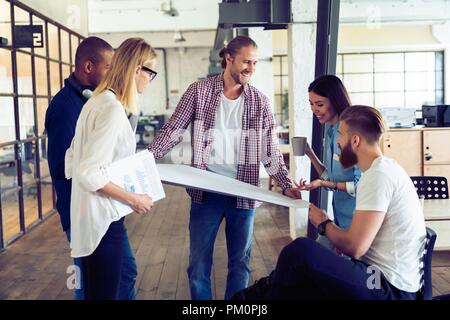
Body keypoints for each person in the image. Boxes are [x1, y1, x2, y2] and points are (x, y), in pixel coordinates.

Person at [148, 35, 301, 300]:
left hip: (244, 194)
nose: (251, 69)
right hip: (205, 193)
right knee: (198, 265)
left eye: (255, 63)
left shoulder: (260, 102)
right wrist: (146, 160)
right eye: (246, 62)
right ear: (228, 58)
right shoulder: (199, 92)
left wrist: (286, 184)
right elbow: (173, 131)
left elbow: (269, 150)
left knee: (240, 264)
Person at [233, 105, 427, 300]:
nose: (338, 142)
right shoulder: (383, 170)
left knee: (300, 250)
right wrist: (337, 237)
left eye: (340, 135)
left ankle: (260, 294)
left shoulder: (378, 176)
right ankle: (265, 291)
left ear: (355, 140)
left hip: (387, 287)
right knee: (301, 274)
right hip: (378, 277)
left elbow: (356, 247)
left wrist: (324, 224)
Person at [64, 38, 157, 300]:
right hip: (104, 223)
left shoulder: (96, 101)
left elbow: (72, 162)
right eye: (150, 73)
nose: (149, 81)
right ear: (137, 70)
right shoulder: (112, 110)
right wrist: (134, 198)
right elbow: (87, 173)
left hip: (90, 221)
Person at [45, 36, 114, 300]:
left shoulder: (88, 101)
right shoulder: (65, 107)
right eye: (107, 67)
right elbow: (64, 167)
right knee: (85, 282)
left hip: (94, 203)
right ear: (88, 67)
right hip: (79, 209)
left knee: (107, 276)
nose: (111, 74)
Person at [298, 75, 361, 248]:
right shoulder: (332, 132)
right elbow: (332, 180)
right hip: (340, 219)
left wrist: (327, 184)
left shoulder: (351, 133)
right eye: (311, 103)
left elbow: (361, 186)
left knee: (314, 258)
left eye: (319, 104)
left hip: (357, 222)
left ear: (335, 101)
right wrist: (310, 154)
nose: (314, 109)